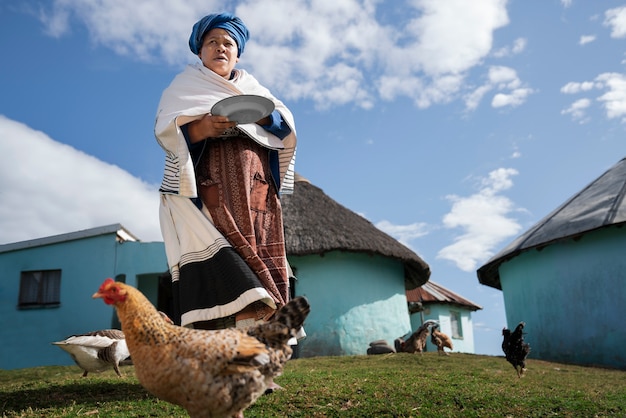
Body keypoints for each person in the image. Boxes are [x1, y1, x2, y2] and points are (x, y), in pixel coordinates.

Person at [154, 12, 297, 330]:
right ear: (200, 50)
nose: (220, 48)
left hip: (256, 187)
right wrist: (202, 127)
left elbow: (285, 127)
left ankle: (262, 362)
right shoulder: (184, 87)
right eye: (212, 42)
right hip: (212, 186)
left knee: (260, 252)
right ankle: (228, 353)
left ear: (238, 52)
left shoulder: (253, 87)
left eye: (228, 43)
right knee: (231, 257)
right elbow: (167, 133)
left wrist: (264, 118)